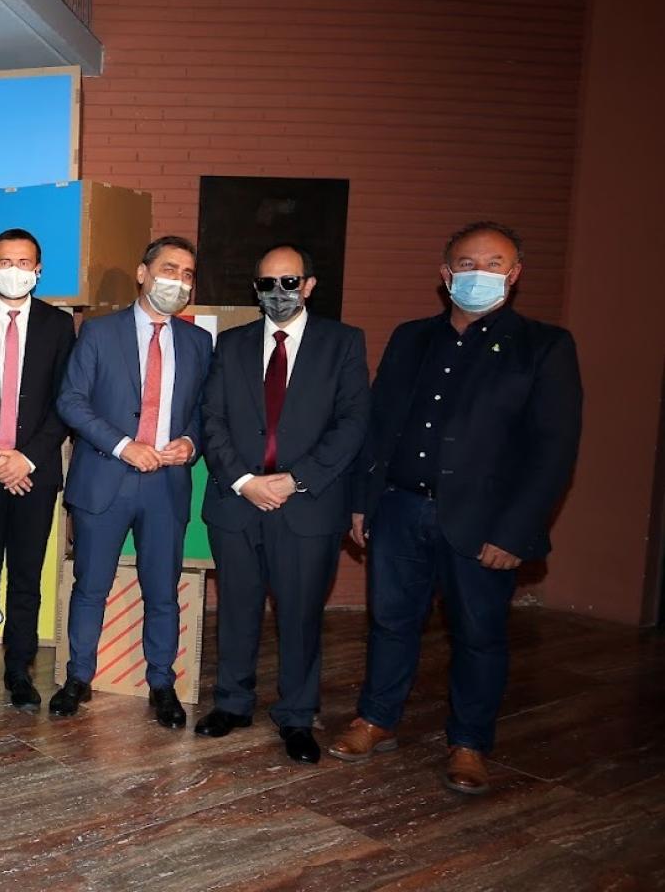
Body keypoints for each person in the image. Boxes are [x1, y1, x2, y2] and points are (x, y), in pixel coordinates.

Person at [330, 222, 582, 795]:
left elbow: (553, 450)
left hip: (484, 523)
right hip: (399, 508)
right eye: (467, 264)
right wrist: (363, 502)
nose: (479, 274)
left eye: (495, 264)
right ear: (446, 275)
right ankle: (377, 718)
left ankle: (469, 742)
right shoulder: (411, 337)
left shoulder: (544, 346)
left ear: (514, 275)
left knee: (479, 634)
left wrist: (516, 532)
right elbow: (379, 424)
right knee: (391, 622)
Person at [194, 245, 370, 764]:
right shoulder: (231, 344)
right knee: (236, 609)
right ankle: (232, 702)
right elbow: (212, 419)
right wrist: (245, 481)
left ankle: (296, 715)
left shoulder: (343, 343)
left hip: (306, 506)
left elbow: (353, 423)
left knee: (300, 615)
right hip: (237, 501)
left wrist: (295, 480)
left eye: (289, 282)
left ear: (309, 285)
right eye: (267, 283)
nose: (278, 292)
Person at [53, 236, 212, 726]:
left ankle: (162, 683)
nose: (178, 282)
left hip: (167, 484)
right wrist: (124, 445)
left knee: (162, 590)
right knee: (90, 586)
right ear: (143, 273)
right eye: (169, 269)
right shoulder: (99, 333)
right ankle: (77, 677)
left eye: (187, 274)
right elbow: (71, 401)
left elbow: (204, 410)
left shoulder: (198, 342)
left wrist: (191, 441)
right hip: (106, 477)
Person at [0, 228, 75, 710]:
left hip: (34, 476)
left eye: (24, 263)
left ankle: (19, 670)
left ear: (38, 271)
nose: (14, 271)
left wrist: (27, 457)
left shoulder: (59, 326)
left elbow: (66, 401)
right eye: (5, 262)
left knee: (26, 577)